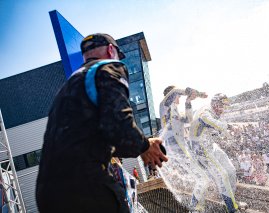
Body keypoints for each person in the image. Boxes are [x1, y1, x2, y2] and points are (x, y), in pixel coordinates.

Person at [36, 33, 168, 213]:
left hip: (48, 194)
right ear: (111, 50)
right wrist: (145, 145)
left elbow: (105, 135)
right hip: (85, 185)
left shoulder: (69, 86)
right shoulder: (108, 68)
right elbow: (118, 123)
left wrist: (141, 146)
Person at [188, 93, 242, 213]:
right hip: (200, 149)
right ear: (215, 104)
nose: (222, 110)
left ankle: (230, 201)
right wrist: (230, 127)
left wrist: (230, 135)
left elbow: (217, 131)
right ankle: (232, 209)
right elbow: (208, 121)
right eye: (221, 107)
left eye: (224, 107)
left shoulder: (215, 112)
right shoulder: (205, 111)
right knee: (221, 175)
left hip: (210, 146)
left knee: (231, 171)